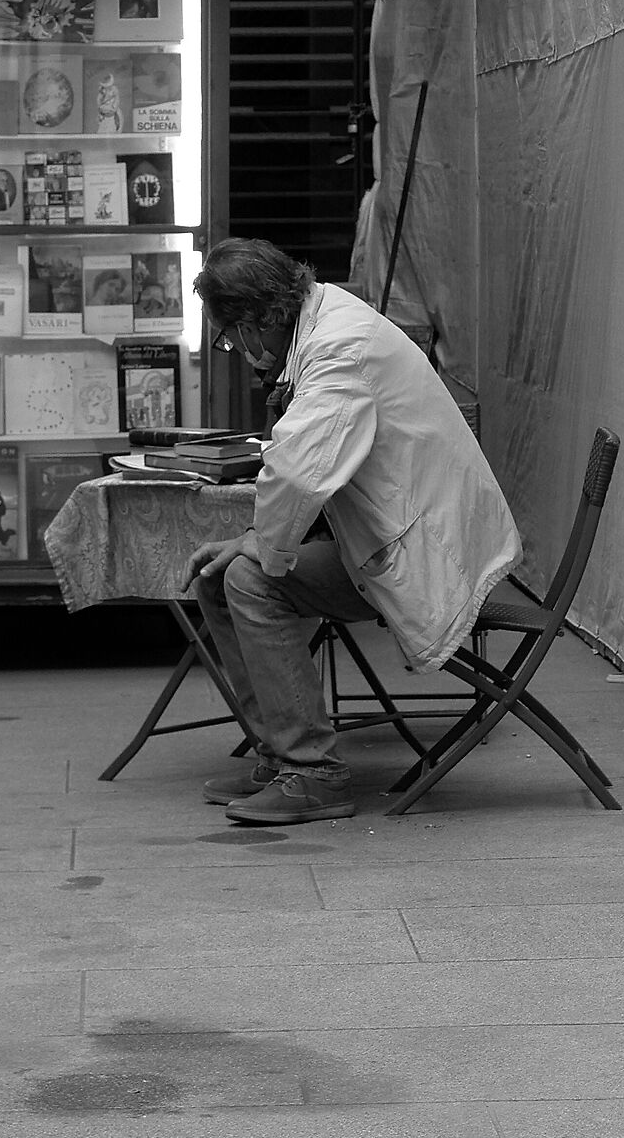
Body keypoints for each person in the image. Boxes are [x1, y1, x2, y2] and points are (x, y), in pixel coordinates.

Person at [185, 238, 521, 825]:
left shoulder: (341, 348)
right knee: (219, 576)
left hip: (429, 555)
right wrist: (260, 540)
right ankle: (281, 753)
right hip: (400, 535)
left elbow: (295, 471)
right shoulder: (323, 319)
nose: (236, 350)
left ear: (262, 319)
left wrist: (260, 544)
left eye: (233, 336)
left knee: (247, 579)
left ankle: (312, 772)